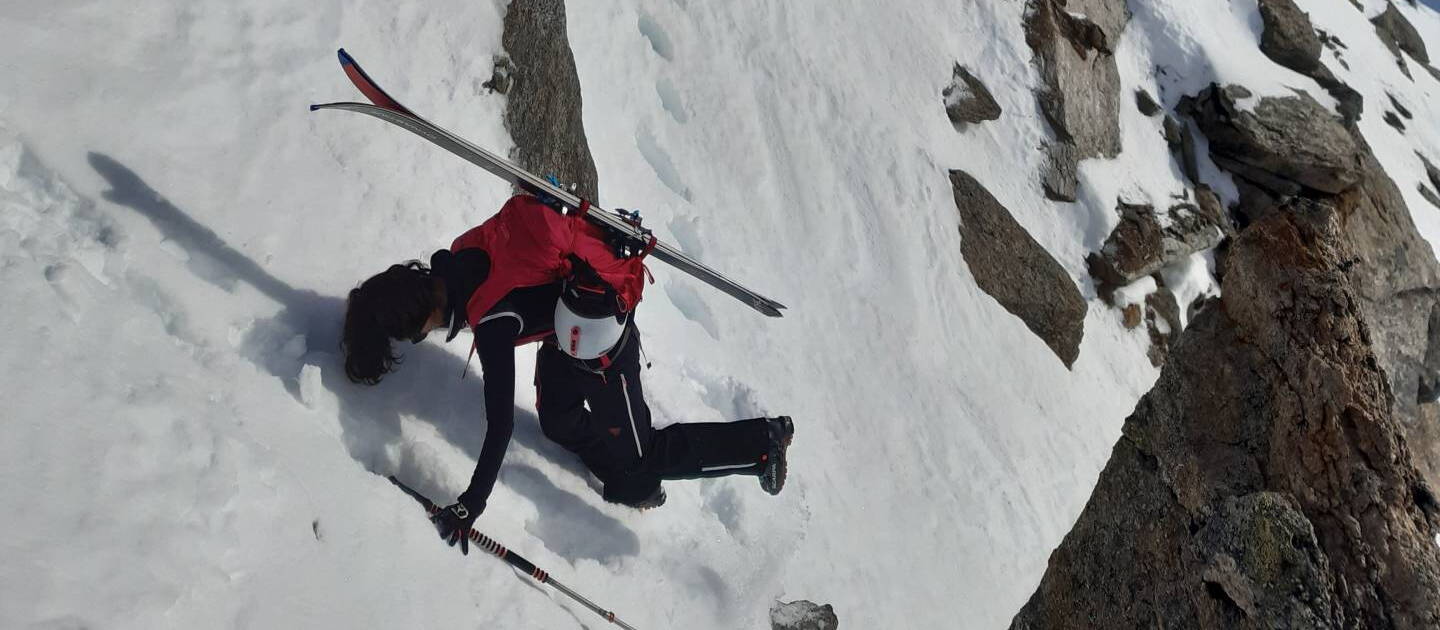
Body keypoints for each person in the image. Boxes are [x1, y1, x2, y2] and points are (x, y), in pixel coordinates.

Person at [341, 193, 794, 554]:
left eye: (415, 333)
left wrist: (470, 504)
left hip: (604, 342)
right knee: (559, 422)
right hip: (565, 333)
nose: (423, 337)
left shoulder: (491, 320)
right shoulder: (462, 252)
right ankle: (629, 480)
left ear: (427, 312)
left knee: (645, 454)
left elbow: (500, 424)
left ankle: (761, 443)